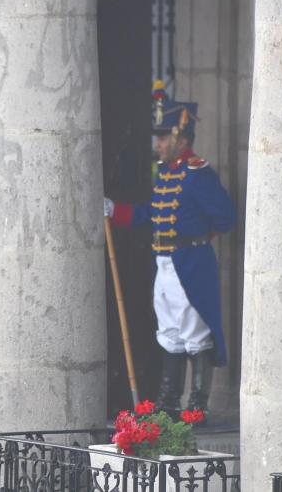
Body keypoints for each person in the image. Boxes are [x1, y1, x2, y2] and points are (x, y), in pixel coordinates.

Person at [104, 80, 236, 421]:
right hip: (165, 263)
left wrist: (197, 236)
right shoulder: (166, 174)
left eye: (163, 137)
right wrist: (115, 211)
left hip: (190, 263)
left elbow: (226, 216)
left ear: (180, 137)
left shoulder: (197, 174)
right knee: (170, 333)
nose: (158, 144)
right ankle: (168, 402)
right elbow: (150, 213)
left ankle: (196, 405)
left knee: (195, 334)